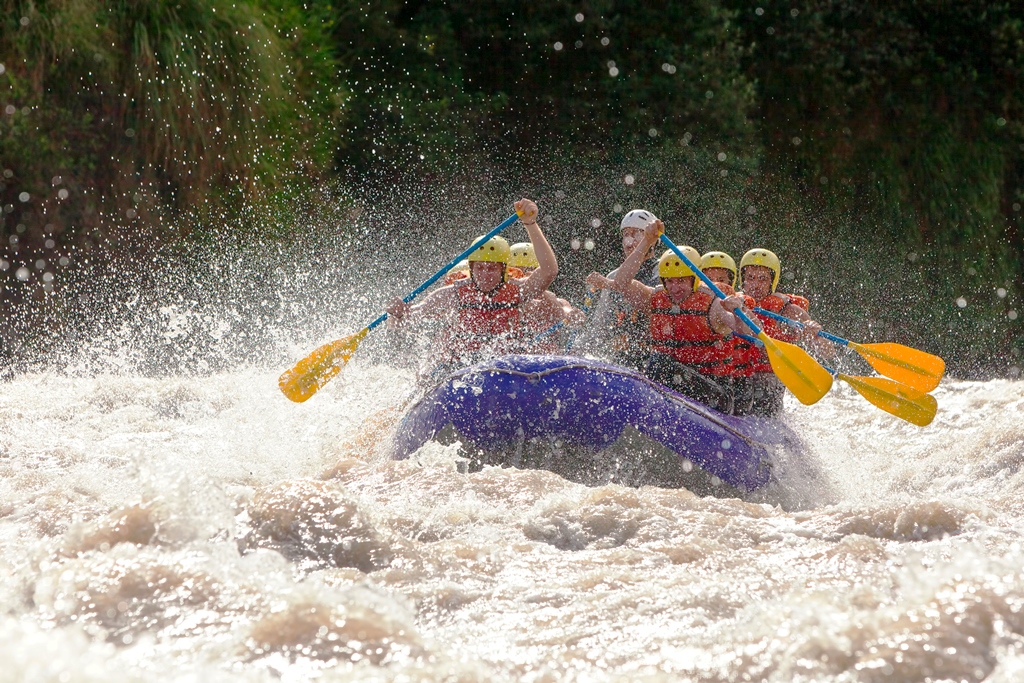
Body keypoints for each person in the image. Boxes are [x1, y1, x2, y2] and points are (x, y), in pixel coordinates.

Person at [385, 198, 557, 376]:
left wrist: (530, 224)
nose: (484, 274)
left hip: (506, 370)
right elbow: (404, 321)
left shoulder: (518, 291)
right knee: (426, 375)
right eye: (479, 268)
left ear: (504, 270)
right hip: (459, 370)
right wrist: (398, 313)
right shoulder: (453, 294)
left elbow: (549, 270)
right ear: (471, 268)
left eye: (491, 268)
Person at [609, 219, 750, 413]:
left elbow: (746, 331)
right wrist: (646, 241)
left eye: (682, 281)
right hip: (675, 388)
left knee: (659, 364)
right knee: (634, 357)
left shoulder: (714, 304)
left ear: (694, 279)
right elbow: (621, 284)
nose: (675, 288)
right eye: (670, 281)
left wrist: (738, 311)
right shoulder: (656, 299)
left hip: (715, 395)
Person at [576, 210, 690, 370]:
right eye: (626, 234)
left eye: (637, 234)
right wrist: (577, 353)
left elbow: (651, 299)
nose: (629, 241)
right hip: (620, 358)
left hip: (654, 359)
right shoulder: (614, 275)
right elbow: (599, 326)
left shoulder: (663, 269)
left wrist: (609, 284)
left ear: (652, 239)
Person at [735, 248, 824, 417]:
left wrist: (812, 331)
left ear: (772, 281)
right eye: (750, 278)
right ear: (743, 280)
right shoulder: (733, 303)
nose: (755, 285)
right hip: (739, 376)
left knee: (763, 389)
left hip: (769, 380)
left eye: (762, 279)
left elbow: (827, 352)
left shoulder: (787, 310)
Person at [508, 242, 585, 353]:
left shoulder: (555, 300)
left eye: (529, 273)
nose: (522, 279)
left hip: (547, 360)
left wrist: (574, 315)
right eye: (516, 273)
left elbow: (566, 312)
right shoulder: (503, 302)